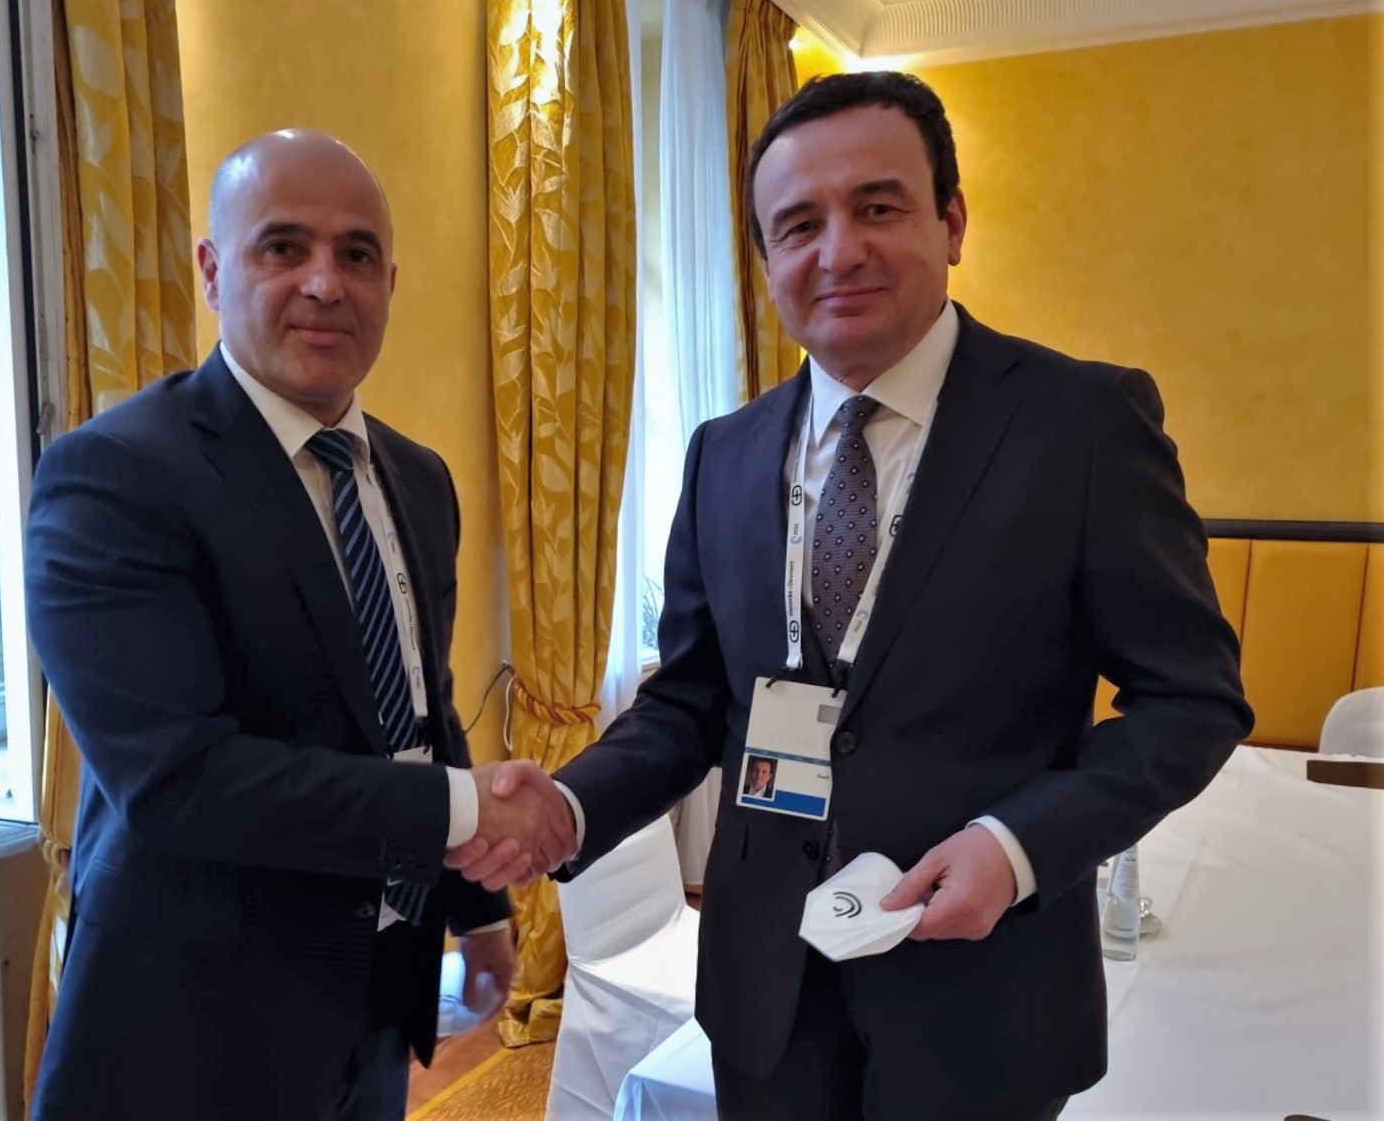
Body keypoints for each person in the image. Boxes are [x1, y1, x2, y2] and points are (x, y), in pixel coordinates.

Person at [457, 72, 1251, 1119]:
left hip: (982, 996)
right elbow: (690, 701)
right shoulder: (723, 454)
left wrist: (1015, 848)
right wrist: (569, 804)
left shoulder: (1082, 426)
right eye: (798, 226)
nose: (838, 252)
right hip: (766, 992)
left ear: (950, 221)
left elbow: (1190, 699)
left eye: (877, 207)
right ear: (765, 260)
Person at [25, 130, 572, 1121]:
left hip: (375, 1004)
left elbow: (421, 709)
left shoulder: (418, 480)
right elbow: (180, 780)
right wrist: (466, 811)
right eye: (282, 247)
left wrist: (477, 906)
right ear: (210, 270)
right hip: (190, 1030)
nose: (325, 283)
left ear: (389, 283)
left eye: (356, 254)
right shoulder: (114, 477)